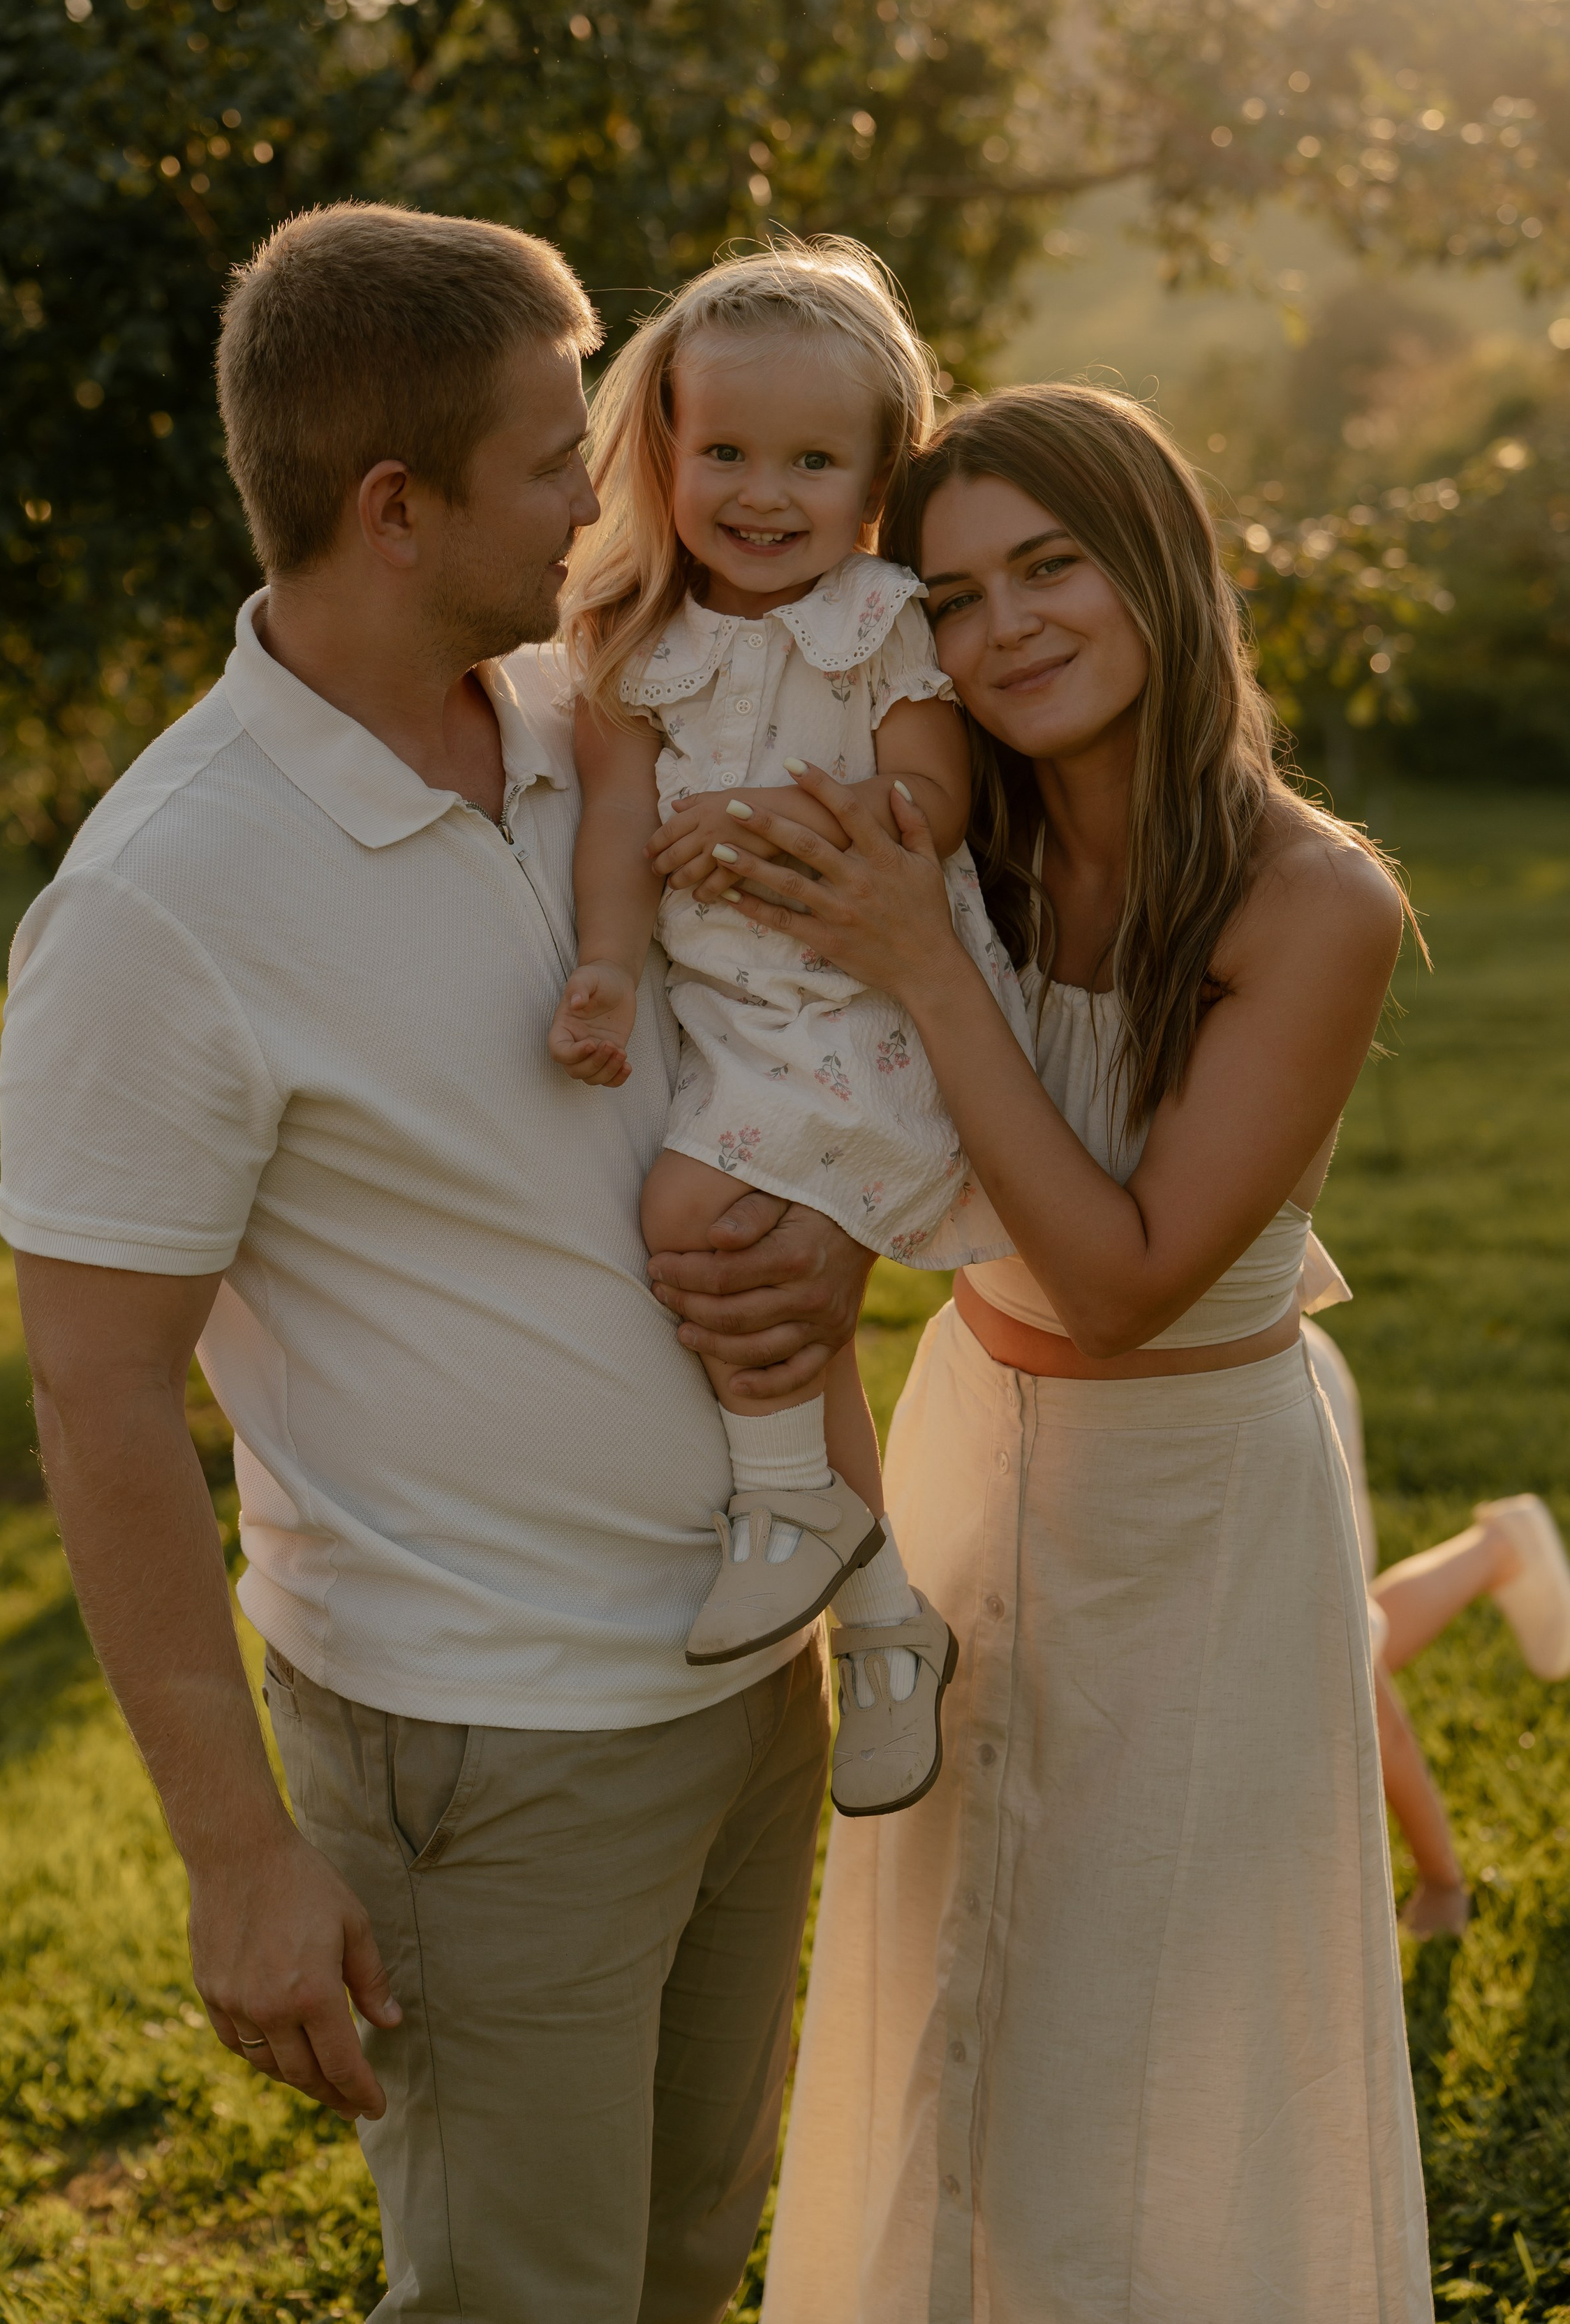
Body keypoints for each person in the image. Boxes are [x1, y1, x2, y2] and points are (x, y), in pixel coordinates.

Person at [0, 202, 880, 2324]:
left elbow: (771, 1049)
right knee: (518, 2296)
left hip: (746, 1670)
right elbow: (97, 1394)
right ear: (395, 508)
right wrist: (236, 1852)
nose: (614, 492)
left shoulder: (593, 715)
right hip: (488, 1739)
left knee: (676, 2266)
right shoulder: (162, 898)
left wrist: (830, 1239)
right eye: (561, 456)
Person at [728, 382, 1435, 2320]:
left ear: (1171, 568)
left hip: (1196, 1514)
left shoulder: (1316, 902)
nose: (1006, 629)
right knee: (960, 1992)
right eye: (950, 597)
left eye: (1052, 567)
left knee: (1166, 2041)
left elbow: (1122, 1275)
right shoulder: (954, 849)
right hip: (968, 1449)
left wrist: (922, 963)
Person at [550, 241, 1033, 1815]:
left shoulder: (880, 624)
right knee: (757, 1277)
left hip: (867, 1006)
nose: (765, 493)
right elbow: (613, 828)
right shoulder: (638, 641)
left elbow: (930, 802)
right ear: (664, 452)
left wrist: (765, 814)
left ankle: (788, 1510)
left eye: (812, 461)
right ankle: (880, 1616)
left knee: (696, 1224)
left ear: (878, 475)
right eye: (727, 454)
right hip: (739, 1029)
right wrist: (611, 971)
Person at [1305, 1314, 1570, 1939]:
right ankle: (1499, 1551)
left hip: (1253, 1387)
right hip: (1198, 1379)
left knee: (1330, 1664)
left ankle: (1443, 1875)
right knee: (1314, 1652)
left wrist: (1441, 1882)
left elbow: (1353, 1676)